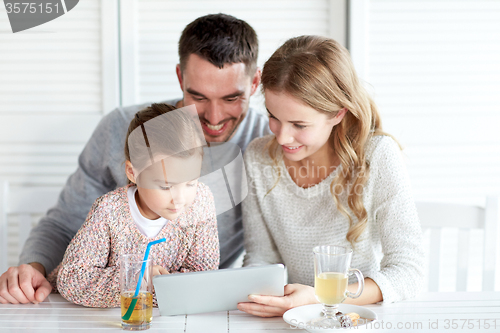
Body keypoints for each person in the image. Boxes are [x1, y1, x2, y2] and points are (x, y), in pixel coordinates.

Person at [0, 13, 271, 305]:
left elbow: (269, 248)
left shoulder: (269, 143)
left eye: (231, 99)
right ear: (180, 77)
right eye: (199, 97)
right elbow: (65, 222)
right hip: (106, 303)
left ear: (255, 82)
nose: (214, 118)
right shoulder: (121, 129)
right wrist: (33, 267)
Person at [237, 35, 424, 317]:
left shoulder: (377, 155)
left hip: (360, 317)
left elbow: (409, 271)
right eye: (273, 116)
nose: (282, 136)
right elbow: (261, 258)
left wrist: (321, 297)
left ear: (338, 113)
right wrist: (262, 294)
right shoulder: (257, 157)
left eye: (299, 124)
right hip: (293, 318)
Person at [47, 103, 219, 307]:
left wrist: (152, 290)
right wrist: (137, 278)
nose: (180, 198)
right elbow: (72, 281)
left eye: (191, 182)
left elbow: (203, 279)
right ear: (132, 172)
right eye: (166, 186)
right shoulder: (109, 211)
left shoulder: (200, 201)